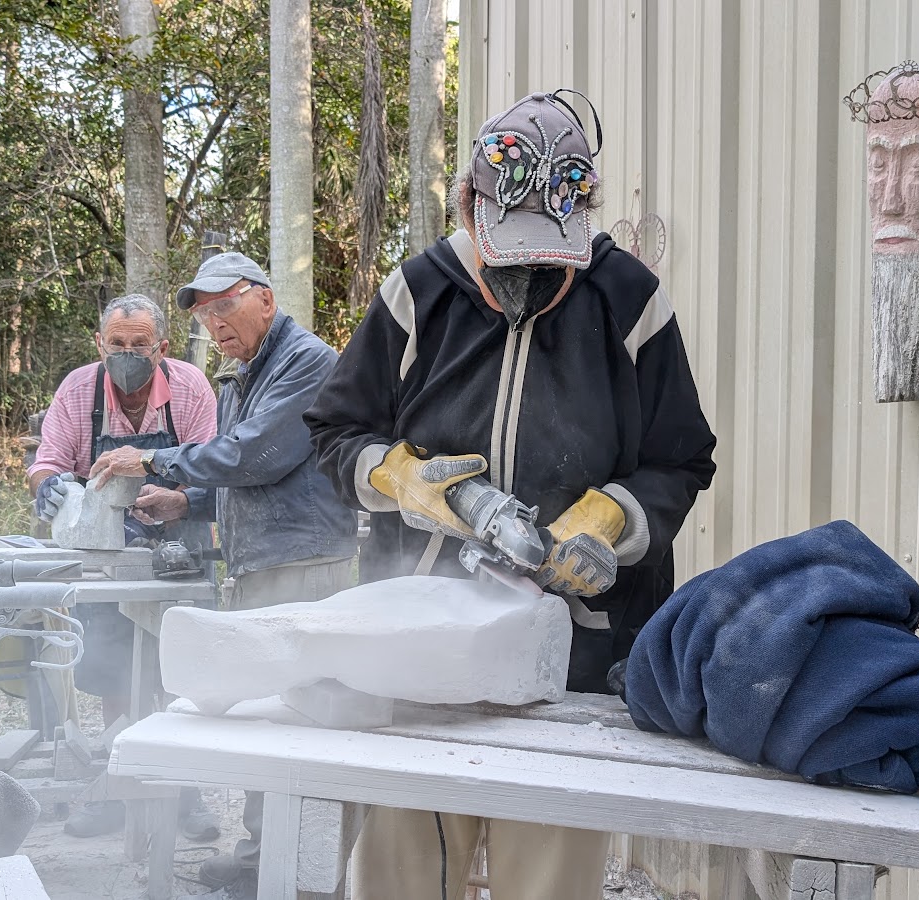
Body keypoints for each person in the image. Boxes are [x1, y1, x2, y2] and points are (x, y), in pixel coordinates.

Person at [305, 89, 718, 900]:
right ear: (467, 204)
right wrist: (406, 483)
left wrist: (613, 520)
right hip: (416, 640)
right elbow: (332, 432)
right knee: (400, 866)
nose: (522, 285)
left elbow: (681, 459)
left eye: (545, 264)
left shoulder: (628, 298)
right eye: (506, 260)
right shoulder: (418, 289)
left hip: (574, 647)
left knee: (549, 871)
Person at [88, 252, 360, 897]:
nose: (215, 323)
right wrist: (187, 502)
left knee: (300, 720)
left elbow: (258, 455)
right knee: (269, 718)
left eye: (225, 305)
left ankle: (297, 870)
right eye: (205, 314)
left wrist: (155, 464)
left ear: (265, 298)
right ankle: (262, 855)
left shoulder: (307, 363)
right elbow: (244, 481)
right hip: (261, 562)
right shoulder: (242, 376)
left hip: (301, 564)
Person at [28, 293, 221, 840]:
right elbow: (47, 460)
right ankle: (118, 785)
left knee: (179, 671)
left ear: (162, 347)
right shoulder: (78, 389)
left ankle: (185, 794)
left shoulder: (189, 388)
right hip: (105, 552)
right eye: (118, 345)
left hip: (179, 541)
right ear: (100, 344)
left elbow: (212, 466)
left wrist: (176, 497)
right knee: (114, 664)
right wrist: (49, 487)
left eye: (140, 345)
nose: (128, 354)